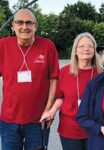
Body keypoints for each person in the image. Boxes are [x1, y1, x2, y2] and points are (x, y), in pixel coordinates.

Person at [0, 8, 59, 150]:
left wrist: (49, 110)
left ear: (35, 25)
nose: (24, 27)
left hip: (38, 121)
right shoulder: (3, 45)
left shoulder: (47, 46)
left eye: (29, 23)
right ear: (13, 25)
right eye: (19, 22)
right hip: (9, 121)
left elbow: (54, 79)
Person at [40, 32, 101, 150]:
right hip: (70, 130)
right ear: (76, 51)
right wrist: (51, 112)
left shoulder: (101, 73)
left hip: (94, 129)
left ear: (94, 50)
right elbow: (60, 97)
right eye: (82, 46)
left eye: (90, 46)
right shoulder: (65, 72)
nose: (86, 49)